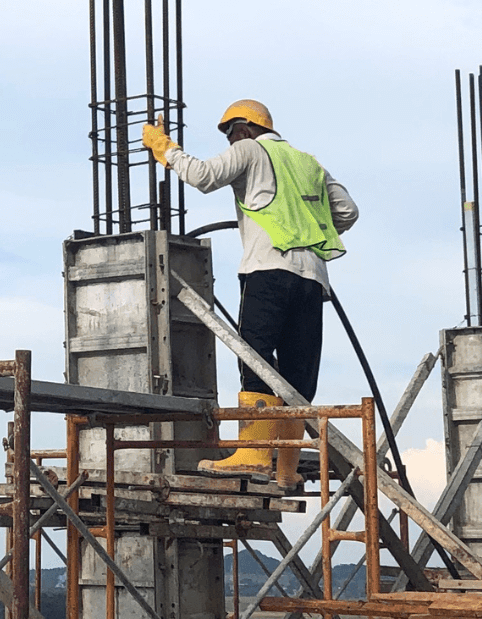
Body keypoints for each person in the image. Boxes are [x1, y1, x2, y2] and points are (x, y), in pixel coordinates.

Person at [142, 99, 358, 484]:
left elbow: (204, 175)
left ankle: (255, 454)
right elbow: (347, 212)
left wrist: (165, 148)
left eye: (230, 134)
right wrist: (306, 232)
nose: (230, 141)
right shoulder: (309, 163)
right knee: (297, 372)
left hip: (267, 270)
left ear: (243, 129)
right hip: (312, 279)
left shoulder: (249, 150)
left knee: (256, 359)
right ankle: (288, 469)